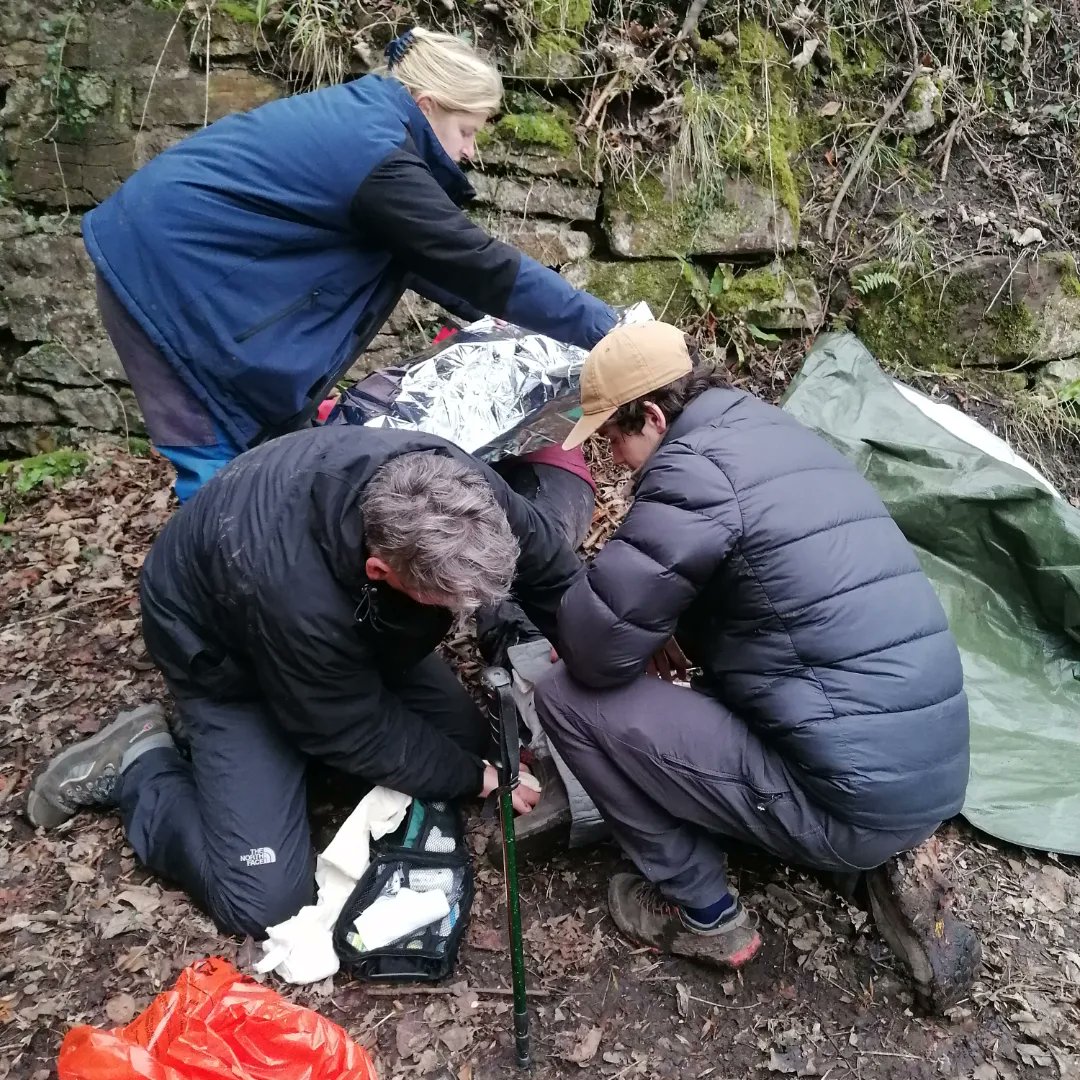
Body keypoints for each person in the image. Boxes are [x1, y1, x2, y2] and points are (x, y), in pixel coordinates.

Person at [534, 322, 980, 1008]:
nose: (616, 461)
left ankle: (704, 915)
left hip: (853, 799)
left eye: (613, 439)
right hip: (927, 763)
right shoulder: (766, 431)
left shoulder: (692, 472)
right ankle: (862, 850)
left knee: (565, 695)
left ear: (652, 416)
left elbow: (593, 651)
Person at [25, 425, 588, 939]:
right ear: (380, 571)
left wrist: (596, 655)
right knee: (265, 900)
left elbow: (548, 566)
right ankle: (139, 764)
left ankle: (303, 750)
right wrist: (473, 778)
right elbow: (348, 728)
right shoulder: (292, 595)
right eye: (449, 602)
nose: (465, 614)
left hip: (362, 631)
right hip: (227, 659)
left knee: (473, 746)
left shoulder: (457, 486)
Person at [83, 27, 617, 501]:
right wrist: (607, 331)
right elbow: (477, 262)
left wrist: (506, 318)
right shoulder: (374, 155)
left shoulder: (369, 124)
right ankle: (223, 585)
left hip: (174, 263)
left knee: (268, 456)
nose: (471, 151)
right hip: (165, 281)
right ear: (428, 104)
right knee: (220, 462)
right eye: (468, 130)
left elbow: (430, 263)